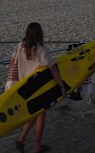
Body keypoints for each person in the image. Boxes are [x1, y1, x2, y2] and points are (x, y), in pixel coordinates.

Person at [14, 23, 67, 153]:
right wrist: (61, 86)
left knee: (35, 114)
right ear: (39, 33)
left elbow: (14, 63)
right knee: (41, 115)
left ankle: (21, 140)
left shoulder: (20, 46)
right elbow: (53, 69)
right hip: (38, 87)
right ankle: (36, 146)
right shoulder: (41, 50)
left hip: (24, 88)